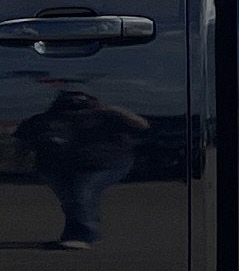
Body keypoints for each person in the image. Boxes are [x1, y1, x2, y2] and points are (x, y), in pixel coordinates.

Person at [15, 78, 145, 248]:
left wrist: (109, 108)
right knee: (71, 199)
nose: (73, 101)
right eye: (68, 96)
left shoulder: (105, 116)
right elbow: (23, 140)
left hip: (104, 165)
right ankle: (74, 234)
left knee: (81, 192)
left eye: (80, 96)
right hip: (56, 168)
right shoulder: (44, 119)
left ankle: (85, 236)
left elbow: (141, 125)